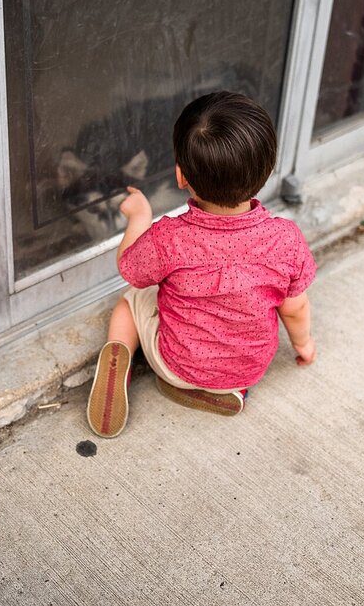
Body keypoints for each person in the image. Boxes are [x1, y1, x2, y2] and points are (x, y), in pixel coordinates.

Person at [86, 91, 317, 438]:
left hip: (176, 363)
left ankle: (119, 357)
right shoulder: (285, 239)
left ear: (181, 176)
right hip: (246, 371)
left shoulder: (170, 239)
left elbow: (130, 269)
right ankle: (224, 391)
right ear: (267, 172)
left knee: (130, 299)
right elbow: (295, 308)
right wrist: (303, 345)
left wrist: (140, 217)